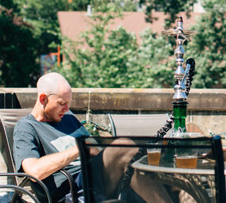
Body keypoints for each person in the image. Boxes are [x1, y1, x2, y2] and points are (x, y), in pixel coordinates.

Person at [13, 72, 171, 203]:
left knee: (165, 171)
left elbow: (94, 151)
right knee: (123, 146)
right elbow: (34, 172)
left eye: (68, 103)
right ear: (43, 99)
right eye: (62, 103)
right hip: (73, 190)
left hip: (96, 179)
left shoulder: (67, 118)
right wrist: (78, 148)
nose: (67, 108)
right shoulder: (27, 127)